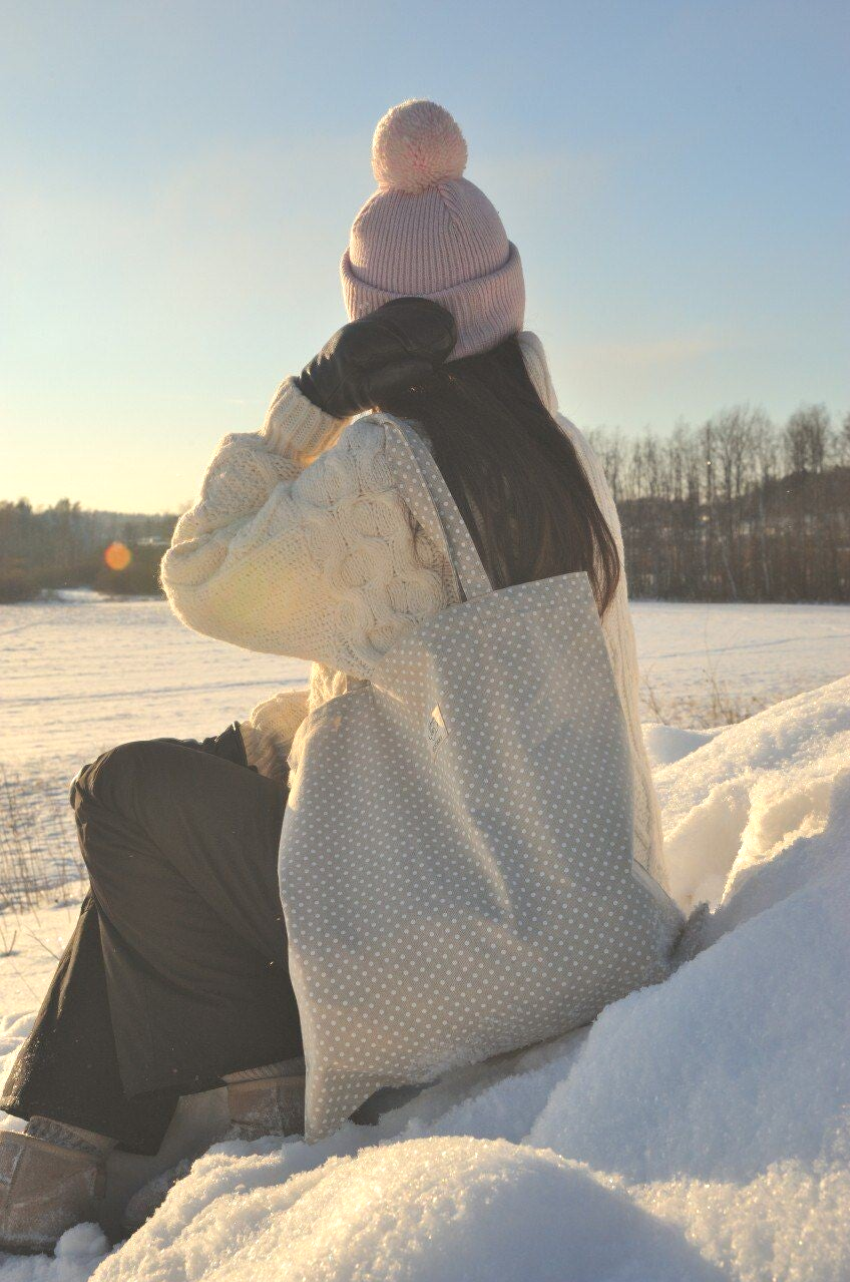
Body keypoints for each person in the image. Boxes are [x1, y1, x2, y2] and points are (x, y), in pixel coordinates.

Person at [0, 98, 671, 1254]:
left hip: (464, 947)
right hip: (591, 907)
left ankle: (236, 1092)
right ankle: (50, 1143)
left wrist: (310, 401)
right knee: (232, 758)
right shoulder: (566, 457)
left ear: (373, 326)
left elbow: (199, 570)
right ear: (504, 301)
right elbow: (450, 690)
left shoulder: (384, 466)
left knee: (123, 793)